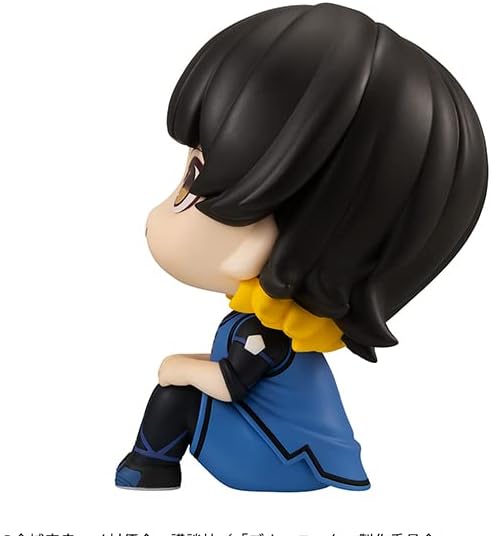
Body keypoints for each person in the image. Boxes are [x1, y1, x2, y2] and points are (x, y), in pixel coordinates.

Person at [115, 3, 487, 492]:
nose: (162, 210)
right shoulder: (266, 326)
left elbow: (230, 385)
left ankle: (149, 469)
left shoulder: (265, 333)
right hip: (282, 447)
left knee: (175, 395)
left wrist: (176, 367)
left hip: (278, 458)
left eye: (195, 177)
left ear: (266, 232)